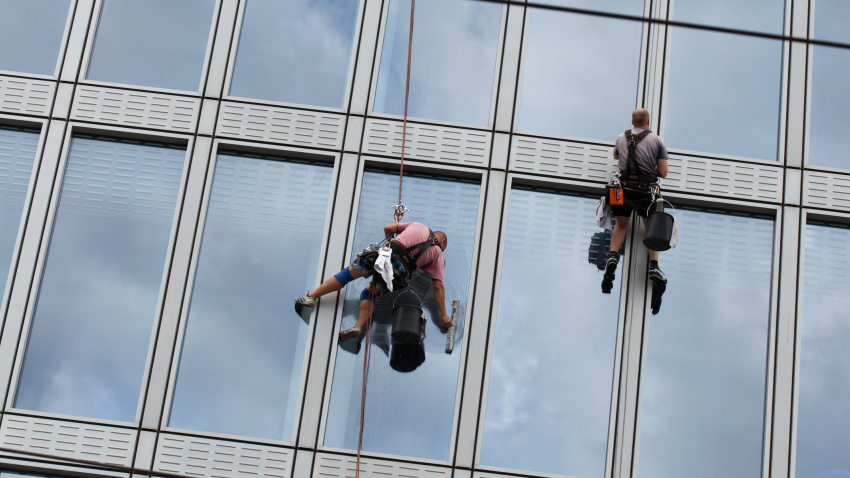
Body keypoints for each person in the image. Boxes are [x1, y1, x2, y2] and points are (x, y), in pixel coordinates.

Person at [294, 222, 452, 342]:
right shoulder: (437, 254)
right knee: (369, 293)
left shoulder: (418, 225)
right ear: (442, 241)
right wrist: (444, 315)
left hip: (385, 254)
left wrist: (394, 238)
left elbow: (388, 228)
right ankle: (357, 327)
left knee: (346, 275)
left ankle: (311, 297)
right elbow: (438, 285)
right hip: (398, 272)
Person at [602, 108, 669, 294]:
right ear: (648, 122)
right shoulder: (657, 141)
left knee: (621, 225)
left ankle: (612, 257)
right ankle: (654, 266)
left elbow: (616, 155)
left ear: (632, 122)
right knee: (651, 228)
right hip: (644, 191)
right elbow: (663, 172)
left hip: (622, 190)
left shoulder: (621, 137)